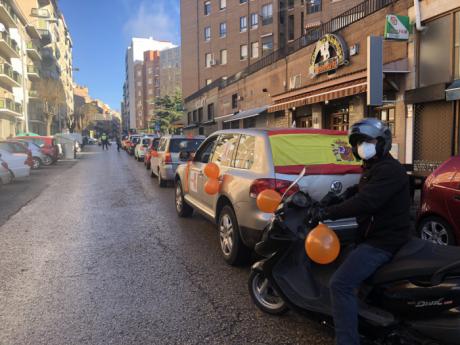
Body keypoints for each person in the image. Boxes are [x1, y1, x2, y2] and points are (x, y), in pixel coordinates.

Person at [308, 118, 410, 345]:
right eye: (358, 142)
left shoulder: (389, 171)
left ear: (382, 142)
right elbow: (361, 189)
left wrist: (328, 213)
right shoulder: (374, 168)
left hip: (383, 242)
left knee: (340, 284)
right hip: (371, 237)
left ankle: (347, 341)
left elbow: (366, 201)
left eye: (367, 140)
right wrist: (340, 196)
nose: (362, 146)